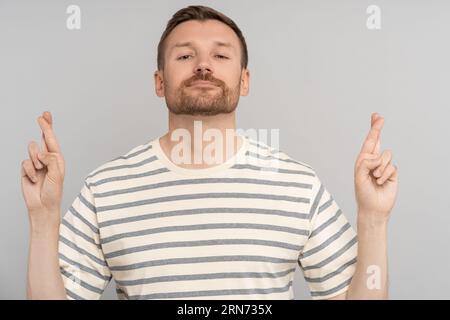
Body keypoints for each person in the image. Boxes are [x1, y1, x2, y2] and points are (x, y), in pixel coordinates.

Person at [21, 5, 398, 300]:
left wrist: (374, 217)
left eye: (220, 56)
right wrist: (42, 217)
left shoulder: (298, 185)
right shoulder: (105, 189)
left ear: (244, 81)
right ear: (159, 82)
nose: (203, 65)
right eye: (185, 57)